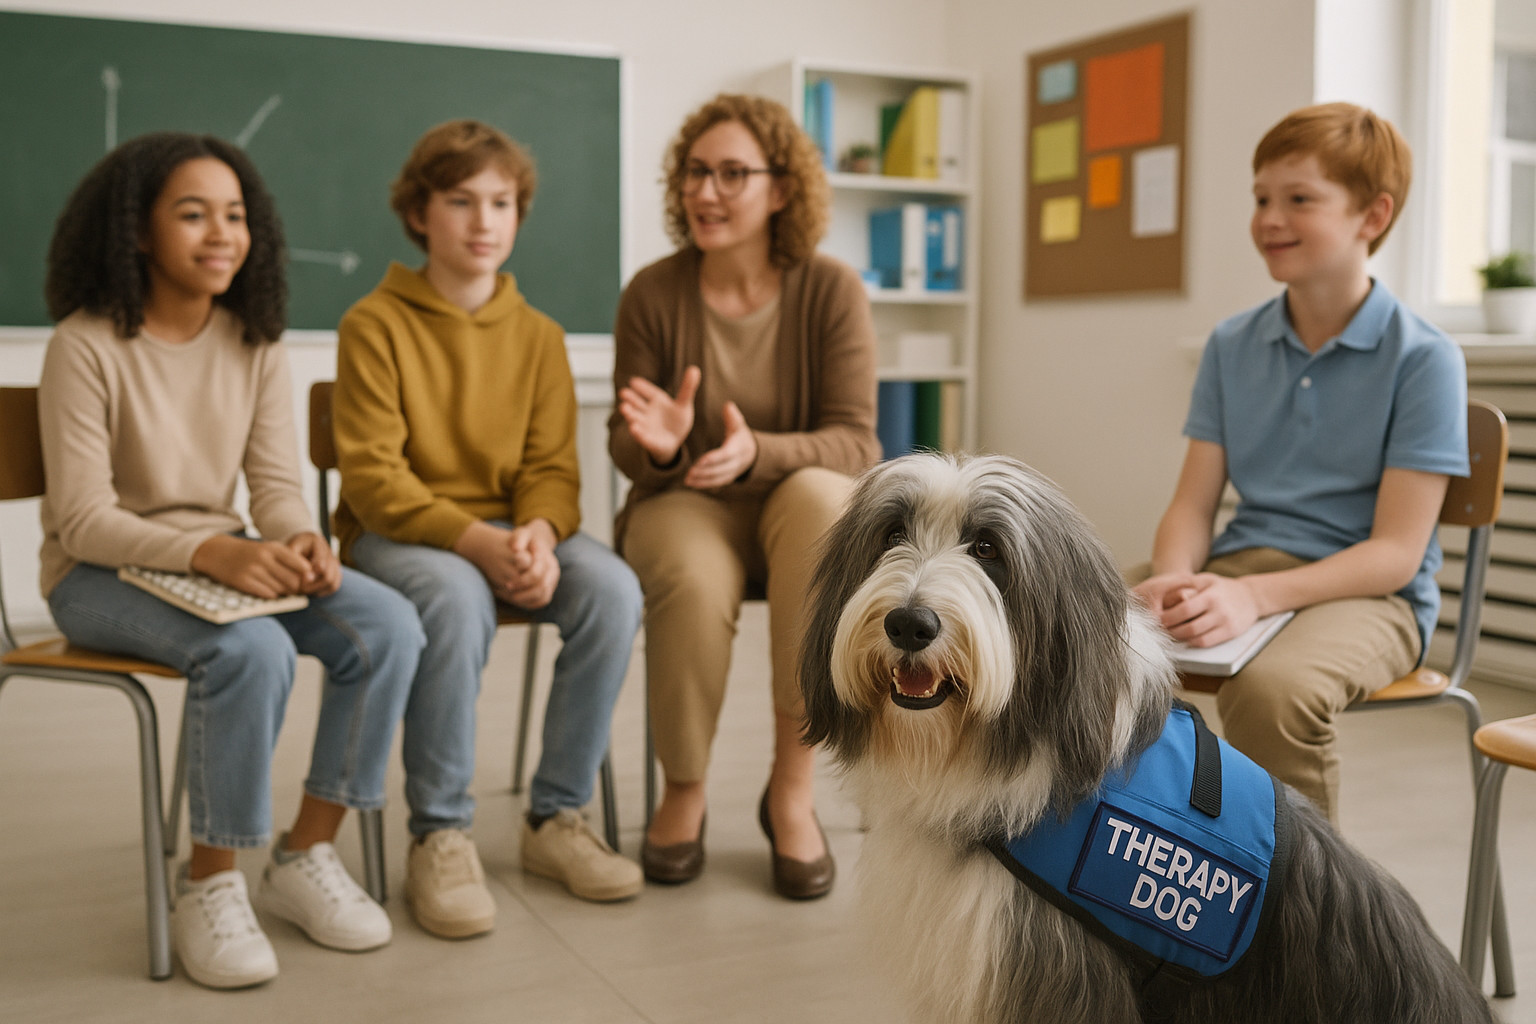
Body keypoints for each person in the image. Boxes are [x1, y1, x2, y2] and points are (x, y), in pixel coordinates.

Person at [37, 132, 425, 989]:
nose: (222, 233)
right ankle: (209, 882)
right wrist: (208, 551)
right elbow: (83, 519)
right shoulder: (84, 344)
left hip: (218, 553)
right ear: (136, 231)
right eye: (193, 214)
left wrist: (298, 539)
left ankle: (304, 855)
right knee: (250, 650)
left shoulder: (253, 340)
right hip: (97, 573)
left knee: (389, 622)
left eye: (236, 215)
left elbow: (277, 487)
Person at [333, 120, 644, 937]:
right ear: (419, 213)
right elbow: (373, 481)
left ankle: (556, 818)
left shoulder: (538, 336)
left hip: (510, 530)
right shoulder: (374, 324)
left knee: (611, 589)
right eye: (460, 200)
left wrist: (539, 535)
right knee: (453, 595)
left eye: (501, 202)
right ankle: (440, 833)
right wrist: (477, 543)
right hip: (400, 536)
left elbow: (553, 468)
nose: (483, 221)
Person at [1129, 103, 1469, 824]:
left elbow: (1395, 555)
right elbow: (1193, 505)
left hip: (1370, 596)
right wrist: (1172, 576)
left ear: (1371, 217)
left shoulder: (1425, 359)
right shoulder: (1231, 344)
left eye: (1298, 200)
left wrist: (1253, 597)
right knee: (1063, 627)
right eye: (1260, 199)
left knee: (1270, 692)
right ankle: (1137, 867)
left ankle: (1304, 920)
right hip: (1242, 565)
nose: (1268, 219)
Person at [610, 94, 880, 898]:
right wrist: (652, 445)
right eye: (696, 172)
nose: (708, 191)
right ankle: (683, 789)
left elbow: (857, 444)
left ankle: (790, 790)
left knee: (826, 503)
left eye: (733, 173)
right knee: (692, 580)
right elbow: (625, 447)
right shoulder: (653, 294)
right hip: (683, 498)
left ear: (782, 190)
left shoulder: (831, 290)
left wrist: (756, 451)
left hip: (788, 503)